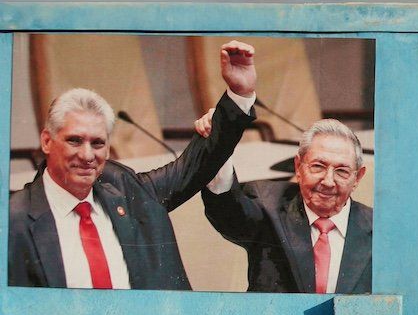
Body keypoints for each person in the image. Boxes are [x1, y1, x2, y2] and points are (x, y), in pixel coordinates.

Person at [8, 41, 258, 290]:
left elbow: (190, 168)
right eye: (74, 141)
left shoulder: (124, 188)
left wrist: (238, 95)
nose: (87, 155)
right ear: (47, 141)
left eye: (97, 143)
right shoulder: (13, 219)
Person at [199, 118, 372, 294]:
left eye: (342, 171)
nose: (328, 181)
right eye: (318, 167)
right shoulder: (268, 204)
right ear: (298, 167)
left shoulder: (379, 231)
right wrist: (219, 147)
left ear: (357, 178)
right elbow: (226, 211)